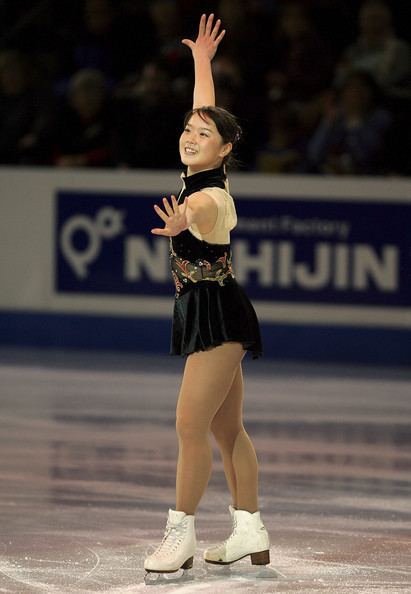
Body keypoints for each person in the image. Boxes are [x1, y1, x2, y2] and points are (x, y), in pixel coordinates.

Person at [144, 13, 270, 576]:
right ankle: (250, 529)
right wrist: (201, 62)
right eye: (189, 132)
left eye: (203, 136)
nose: (191, 138)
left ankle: (181, 532)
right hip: (213, 310)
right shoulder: (202, 172)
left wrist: (181, 226)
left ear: (224, 152)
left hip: (216, 315)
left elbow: (202, 214)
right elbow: (204, 113)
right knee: (226, 428)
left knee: (190, 426)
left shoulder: (208, 199)